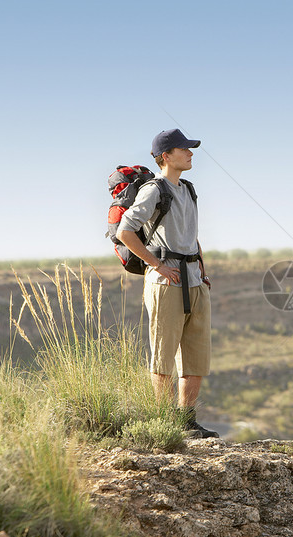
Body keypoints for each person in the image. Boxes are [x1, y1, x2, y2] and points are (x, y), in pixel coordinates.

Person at [116, 128, 218, 438]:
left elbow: (192, 234)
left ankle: (186, 422)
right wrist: (157, 264)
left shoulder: (187, 189)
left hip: (194, 281)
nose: (190, 153)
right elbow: (125, 231)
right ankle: (164, 423)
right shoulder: (153, 190)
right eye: (184, 149)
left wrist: (200, 267)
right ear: (166, 156)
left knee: (195, 355)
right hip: (166, 282)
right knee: (163, 355)